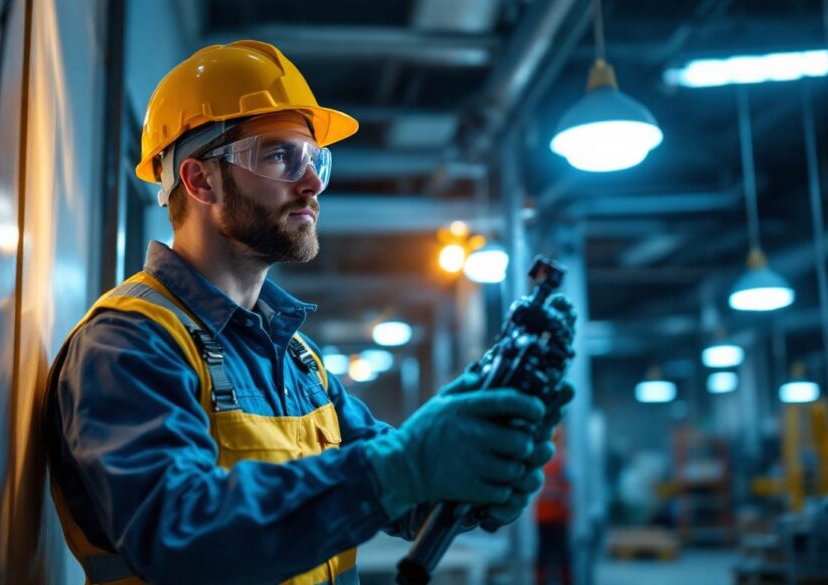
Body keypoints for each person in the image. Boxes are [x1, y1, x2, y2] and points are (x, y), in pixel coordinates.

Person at [42, 40, 573, 585]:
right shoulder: (129, 344)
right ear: (200, 180)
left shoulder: (296, 357)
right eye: (278, 156)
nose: (313, 182)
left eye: (315, 159)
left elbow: (398, 487)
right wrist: (402, 468)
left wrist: (478, 467)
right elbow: (179, 533)